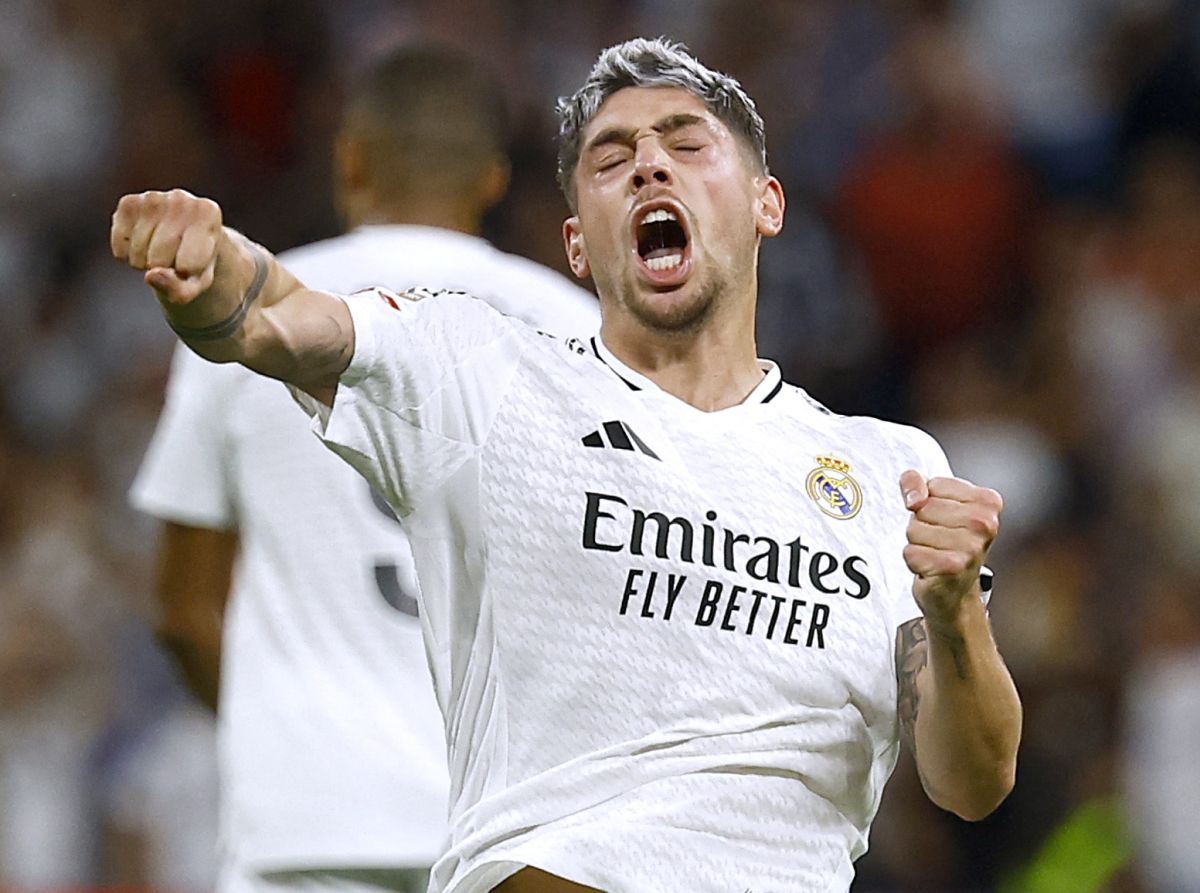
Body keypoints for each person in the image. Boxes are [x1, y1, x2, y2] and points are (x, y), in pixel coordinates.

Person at [111, 37, 1022, 893]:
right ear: (578, 242)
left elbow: (973, 780)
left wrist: (954, 617)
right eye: (611, 158)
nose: (649, 166)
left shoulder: (888, 468)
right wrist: (213, 275)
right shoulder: (484, 372)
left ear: (766, 204)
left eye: (686, 144)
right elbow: (280, 317)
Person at [127, 45, 600, 893]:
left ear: (349, 156)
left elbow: (184, 611)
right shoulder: (579, 332)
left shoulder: (245, 309)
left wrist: (282, 736)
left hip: (310, 822)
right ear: (493, 179)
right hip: (519, 829)